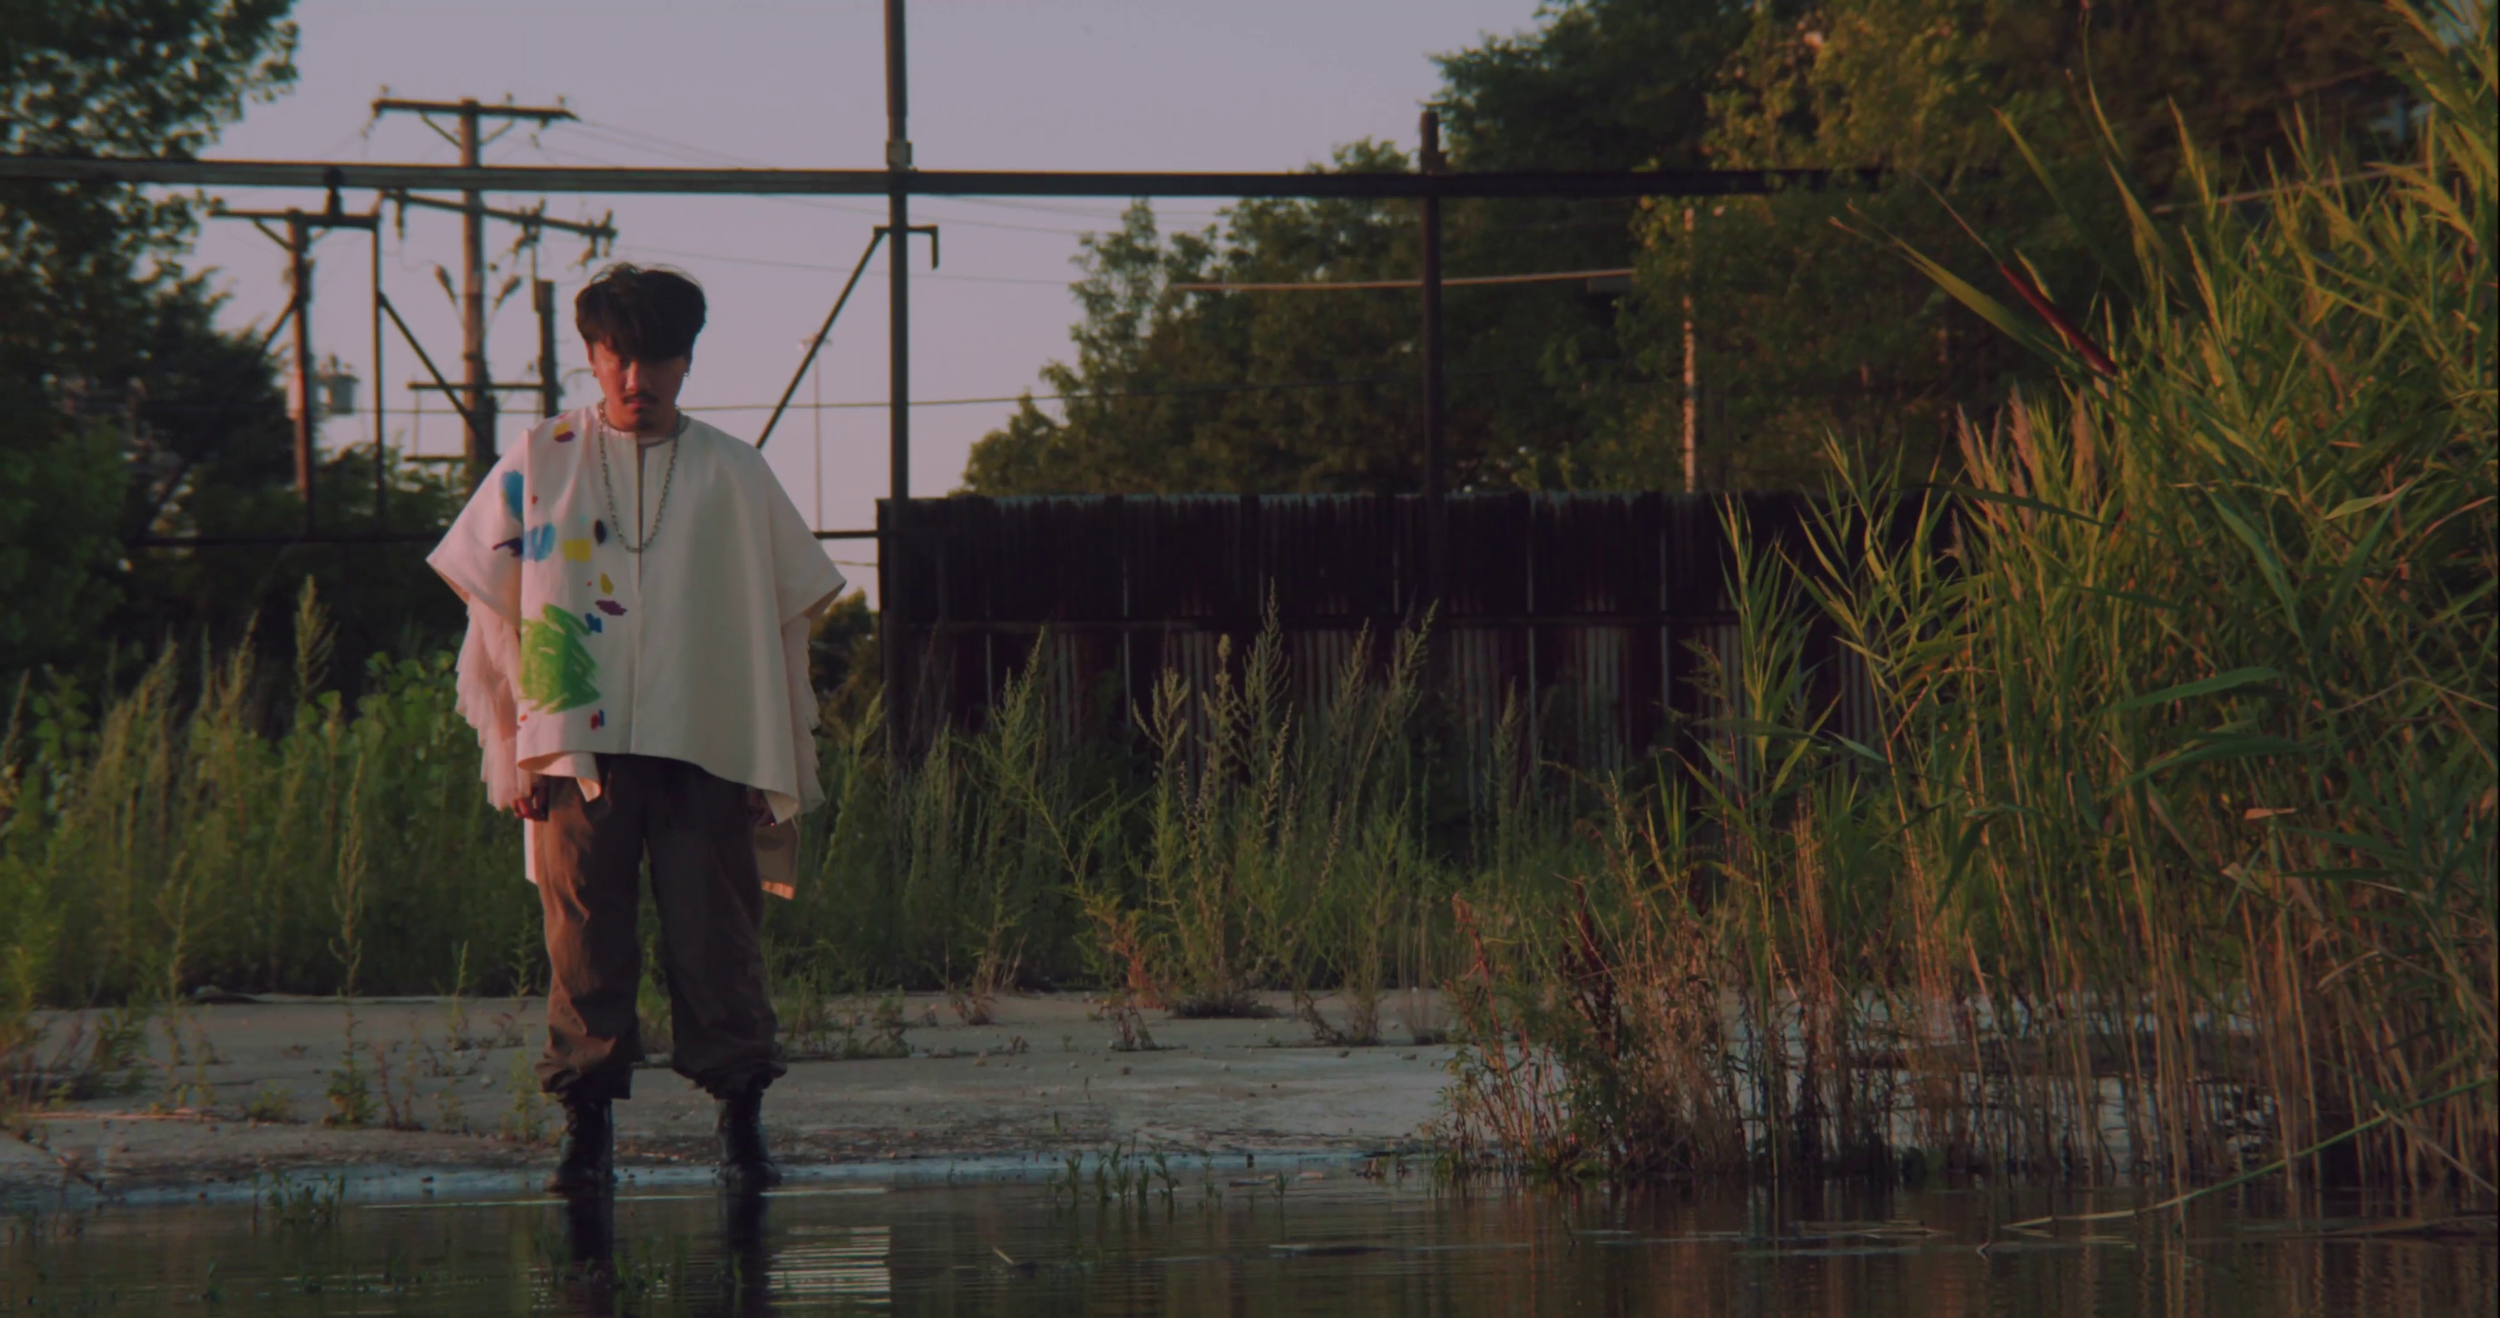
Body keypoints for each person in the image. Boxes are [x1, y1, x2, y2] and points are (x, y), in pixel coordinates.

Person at [429, 263, 843, 1194]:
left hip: (710, 741)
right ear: (592, 356)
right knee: (582, 937)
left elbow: (785, 622)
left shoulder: (735, 472)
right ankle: (586, 1131)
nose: (635, 378)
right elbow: (494, 606)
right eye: (617, 356)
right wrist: (516, 745)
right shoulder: (543, 459)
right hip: (577, 743)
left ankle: (741, 1124)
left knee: (718, 936)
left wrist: (772, 750)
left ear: (686, 361)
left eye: (655, 359)